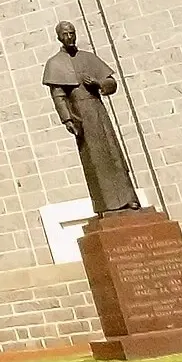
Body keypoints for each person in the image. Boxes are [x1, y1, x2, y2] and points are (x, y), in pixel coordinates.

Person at [44, 21, 141, 216]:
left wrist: (98, 83)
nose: (69, 37)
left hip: (97, 109)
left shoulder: (88, 58)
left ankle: (129, 199)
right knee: (94, 160)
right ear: (58, 37)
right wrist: (67, 119)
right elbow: (59, 95)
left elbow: (111, 83)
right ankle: (106, 204)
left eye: (72, 33)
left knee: (114, 154)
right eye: (65, 34)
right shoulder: (55, 64)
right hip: (81, 116)